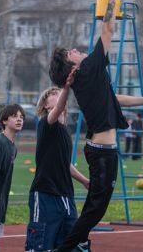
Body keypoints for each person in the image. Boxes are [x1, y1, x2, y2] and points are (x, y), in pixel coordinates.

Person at [48, 0, 143, 251]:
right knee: (95, 211)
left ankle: (72, 244)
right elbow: (108, 30)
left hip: (101, 150)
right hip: (102, 153)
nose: (77, 50)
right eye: (72, 52)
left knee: (95, 210)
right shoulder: (89, 68)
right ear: (74, 65)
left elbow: (114, 99)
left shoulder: (87, 77)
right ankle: (66, 247)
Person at [26, 84, 91, 252]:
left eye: (58, 92)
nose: (59, 94)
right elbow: (59, 106)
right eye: (53, 93)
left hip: (66, 197)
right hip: (46, 194)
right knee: (40, 245)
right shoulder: (46, 123)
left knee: (71, 244)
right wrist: (67, 86)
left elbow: (65, 163)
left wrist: (84, 180)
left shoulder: (64, 131)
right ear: (46, 106)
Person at [0, 104, 24, 240]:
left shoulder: (12, 147)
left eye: (21, 117)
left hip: (1, 205)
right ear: (4, 121)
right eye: (15, 116)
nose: (19, 119)